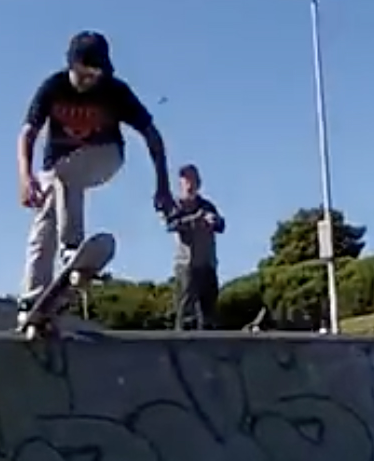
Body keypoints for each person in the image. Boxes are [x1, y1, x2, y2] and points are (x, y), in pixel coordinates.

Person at [15, 30, 175, 323]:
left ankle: (71, 247)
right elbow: (27, 133)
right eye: (85, 75)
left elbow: (152, 136)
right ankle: (32, 299)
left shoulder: (115, 91)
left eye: (96, 75)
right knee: (44, 220)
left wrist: (162, 186)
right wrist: (26, 177)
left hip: (105, 155)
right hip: (57, 168)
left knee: (66, 176)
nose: (91, 82)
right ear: (71, 66)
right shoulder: (53, 87)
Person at [170, 164, 224, 330]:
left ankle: (208, 350)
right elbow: (172, 225)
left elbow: (221, 226)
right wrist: (196, 219)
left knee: (209, 313)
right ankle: (181, 351)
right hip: (187, 264)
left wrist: (215, 221)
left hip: (208, 263)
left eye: (193, 179)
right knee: (186, 311)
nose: (190, 184)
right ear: (181, 183)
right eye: (186, 180)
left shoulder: (207, 205)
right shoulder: (176, 205)